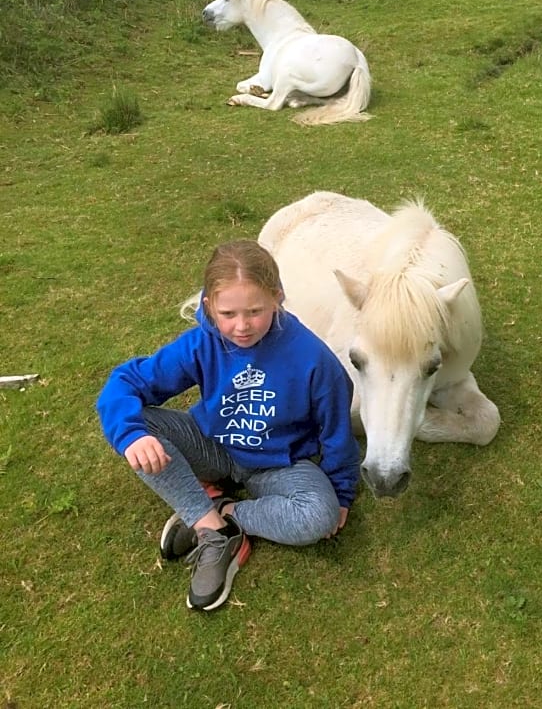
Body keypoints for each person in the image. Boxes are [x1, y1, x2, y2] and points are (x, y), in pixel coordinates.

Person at [96, 239, 360, 612]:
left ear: (277, 298)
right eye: (228, 314)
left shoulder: (311, 357)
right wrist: (131, 435)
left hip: (278, 465)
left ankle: (224, 514)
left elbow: (336, 429)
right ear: (209, 306)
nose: (241, 326)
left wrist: (342, 491)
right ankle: (211, 528)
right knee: (137, 427)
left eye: (255, 311)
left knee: (319, 514)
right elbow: (125, 383)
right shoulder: (203, 341)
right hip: (213, 448)